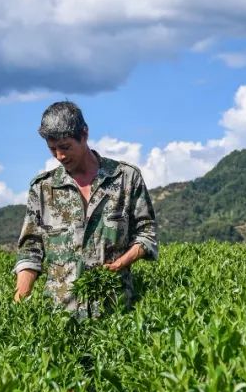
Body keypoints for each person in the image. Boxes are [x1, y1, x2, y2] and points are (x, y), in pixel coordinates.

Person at [14, 101, 158, 314]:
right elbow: (30, 249)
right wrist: (19, 303)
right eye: (52, 150)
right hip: (60, 316)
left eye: (65, 147)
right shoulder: (43, 188)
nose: (60, 156)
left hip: (114, 310)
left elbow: (147, 233)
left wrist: (121, 263)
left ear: (84, 134)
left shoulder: (126, 178)